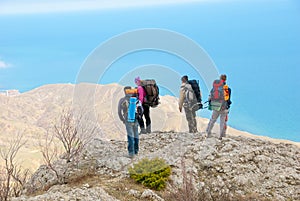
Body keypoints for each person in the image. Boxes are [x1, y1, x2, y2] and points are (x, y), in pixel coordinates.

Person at [118, 86, 142, 158]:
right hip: (136, 118)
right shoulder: (136, 100)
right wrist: (139, 117)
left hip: (127, 119)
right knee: (136, 134)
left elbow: (119, 111)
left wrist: (123, 119)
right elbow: (141, 110)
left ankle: (131, 153)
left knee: (130, 135)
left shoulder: (122, 100)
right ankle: (136, 150)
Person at [206, 74, 232, 140]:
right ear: (225, 80)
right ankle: (221, 136)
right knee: (222, 121)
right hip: (224, 107)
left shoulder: (215, 88)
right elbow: (228, 99)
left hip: (216, 106)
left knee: (212, 120)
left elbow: (210, 97)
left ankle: (208, 132)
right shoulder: (227, 89)